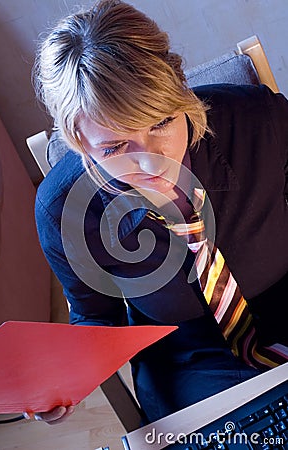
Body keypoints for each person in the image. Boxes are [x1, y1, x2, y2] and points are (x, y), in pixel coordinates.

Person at [32, 0, 288, 429]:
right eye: (113, 148)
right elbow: (96, 314)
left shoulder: (262, 120)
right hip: (187, 356)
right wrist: (65, 374)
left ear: (181, 91)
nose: (149, 161)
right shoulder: (62, 211)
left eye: (160, 123)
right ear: (79, 143)